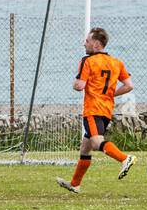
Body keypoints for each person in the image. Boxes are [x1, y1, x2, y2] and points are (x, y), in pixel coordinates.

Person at [57, 27, 137, 193]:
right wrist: (109, 93)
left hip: (93, 109)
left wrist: (76, 83)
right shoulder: (116, 62)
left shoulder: (87, 61)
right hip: (106, 110)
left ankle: (125, 158)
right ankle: (75, 184)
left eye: (87, 41)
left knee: (95, 142)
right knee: (85, 147)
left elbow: (79, 86)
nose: (84, 43)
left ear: (95, 44)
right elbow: (129, 85)